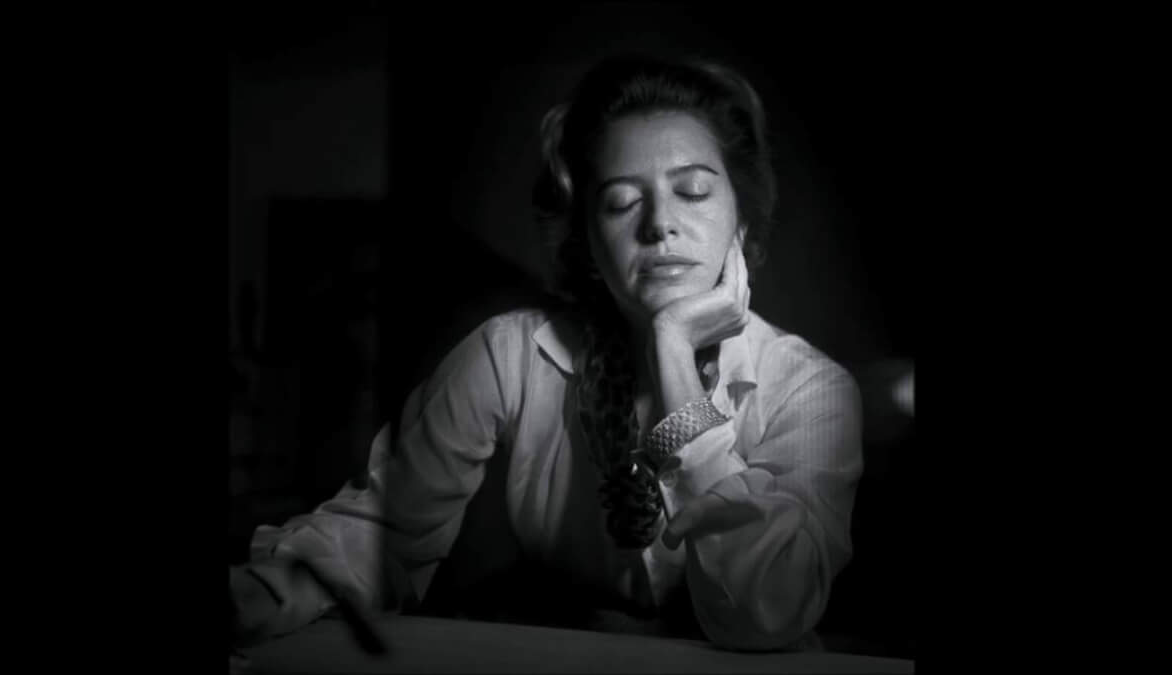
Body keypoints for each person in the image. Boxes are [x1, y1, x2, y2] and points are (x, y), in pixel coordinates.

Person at [229, 54, 863, 653]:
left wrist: (673, 351)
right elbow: (385, 530)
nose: (658, 224)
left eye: (693, 192)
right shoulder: (509, 355)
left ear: (741, 224)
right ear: (587, 238)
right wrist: (262, 595)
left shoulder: (812, 389)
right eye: (620, 202)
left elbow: (767, 611)